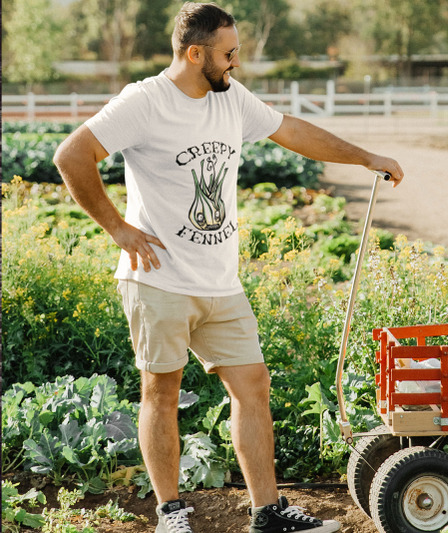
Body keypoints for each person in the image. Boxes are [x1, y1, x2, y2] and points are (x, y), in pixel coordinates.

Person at [53, 3, 403, 532]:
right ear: (195, 54)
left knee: (253, 386)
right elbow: (71, 155)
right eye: (228, 52)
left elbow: (293, 131)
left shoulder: (230, 99)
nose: (236, 62)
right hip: (159, 280)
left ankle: (268, 511)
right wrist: (118, 229)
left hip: (220, 283)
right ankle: (170, 515)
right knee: (161, 392)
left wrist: (365, 156)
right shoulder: (144, 101)